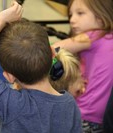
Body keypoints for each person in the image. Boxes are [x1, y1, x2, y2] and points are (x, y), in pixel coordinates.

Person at [0, 1, 82, 133]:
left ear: (9, 77)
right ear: (53, 53)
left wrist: (0, 20)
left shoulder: (12, 104)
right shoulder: (70, 104)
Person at [52, 0, 113, 132]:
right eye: (70, 14)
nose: (72, 20)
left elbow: (52, 50)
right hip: (102, 118)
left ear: (101, 16)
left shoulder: (93, 36)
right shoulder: (108, 38)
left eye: (80, 13)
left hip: (84, 113)